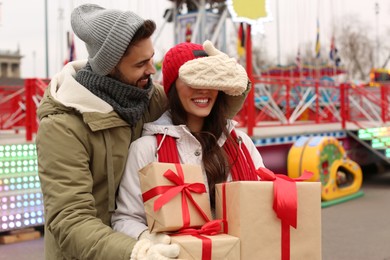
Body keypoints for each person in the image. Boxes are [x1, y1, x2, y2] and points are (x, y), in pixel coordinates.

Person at [35, 4, 248, 260]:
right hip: (95, 253)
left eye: (151, 58)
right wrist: (135, 250)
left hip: (149, 248)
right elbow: (70, 219)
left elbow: (203, 109)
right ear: (110, 68)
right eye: (140, 64)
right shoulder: (62, 126)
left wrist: (234, 81)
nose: (151, 70)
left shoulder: (148, 96)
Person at [111, 41, 266, 255]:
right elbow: (125, 219)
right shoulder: (147, 149)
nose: (203, 88)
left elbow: (265, 204)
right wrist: (150, 240)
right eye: (192, 79)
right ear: (173, 86)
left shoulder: (241, 144)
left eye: (210, 79)